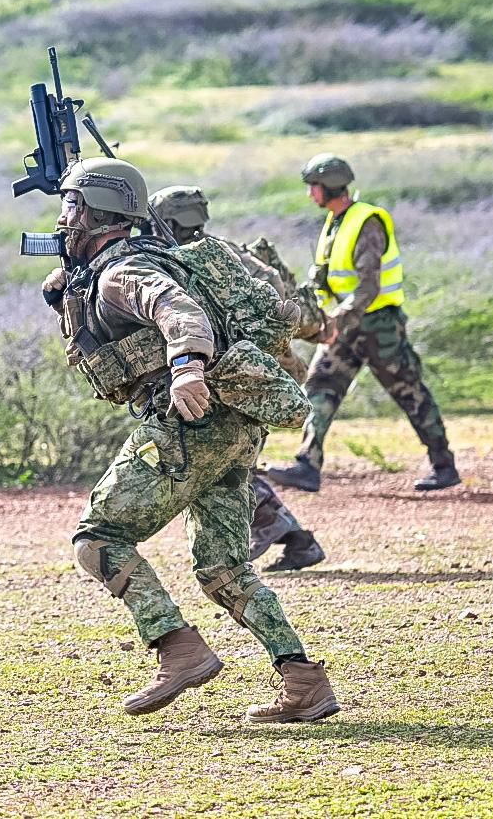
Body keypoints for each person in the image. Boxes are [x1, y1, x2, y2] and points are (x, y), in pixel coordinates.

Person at [45, 158, 338, 723]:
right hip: (233, 427)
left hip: (189, 421)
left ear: (93, 211)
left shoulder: (122, 272)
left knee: (99, 538)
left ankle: (178, 649)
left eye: (69, 206)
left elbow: (177, 309)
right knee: (224, 567)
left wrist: (185, 368)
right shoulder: (122, 262)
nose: (63, 218)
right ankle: (304, 682)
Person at [148, 186, 324, 572]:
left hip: (239, 374)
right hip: (259, 371)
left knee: (217, 458)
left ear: (168, 220)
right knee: (231, 458)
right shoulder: (226, 251)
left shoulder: (194, 259)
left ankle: (277, 533)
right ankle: (295, 539)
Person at [264, 155, 459, 494]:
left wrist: (336, 319)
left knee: (409, 391)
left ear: (330, 186)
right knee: (320, 387)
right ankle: (307, 465)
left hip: (379, 326)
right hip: (347, 325)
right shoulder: (334, 223)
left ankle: (444, 466)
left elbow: (368, 287)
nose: (310, 194)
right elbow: (329, 281)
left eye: (314, 187)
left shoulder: (366, 222)